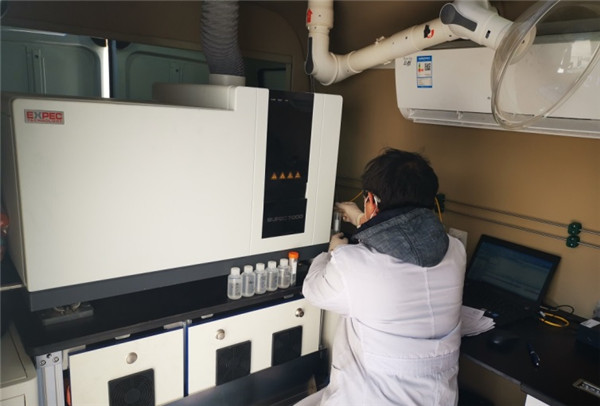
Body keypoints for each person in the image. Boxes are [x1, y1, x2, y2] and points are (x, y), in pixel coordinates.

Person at [298, 148, 466, 406]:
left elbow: (314, 290)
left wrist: (332, 253)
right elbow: (409, 240)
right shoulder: (455, 250)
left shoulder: (352, 264)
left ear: (372, 201)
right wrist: (361, 217)